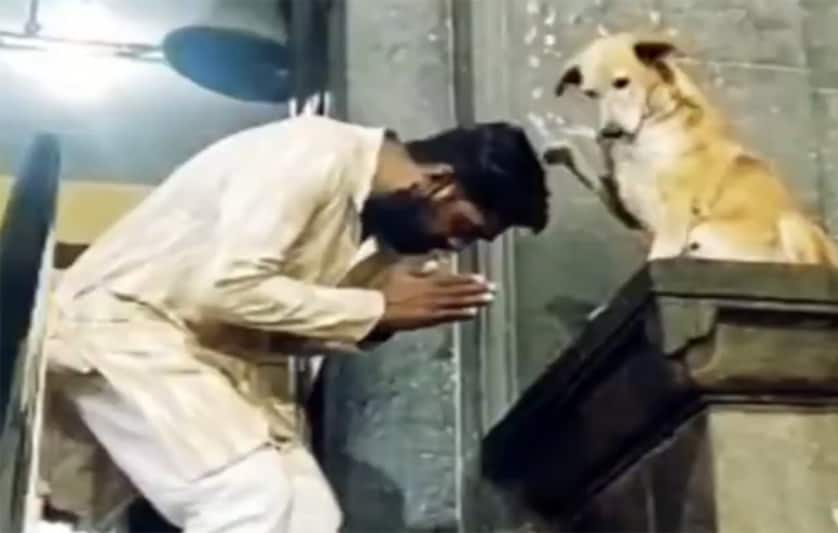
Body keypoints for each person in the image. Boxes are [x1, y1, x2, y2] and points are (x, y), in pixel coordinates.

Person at [40, 115, 549, 533]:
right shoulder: (312, 151)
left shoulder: (365, 223)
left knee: (309, 515)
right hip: (125, 329)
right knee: (254, 501)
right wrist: (371, 309)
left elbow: (252, 322)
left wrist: (379, 320)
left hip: (195, 358)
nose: (451, 247)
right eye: (462, 229)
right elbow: (223, 289)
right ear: (438, 181)